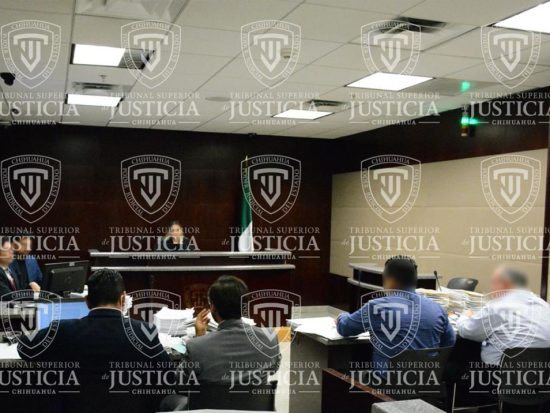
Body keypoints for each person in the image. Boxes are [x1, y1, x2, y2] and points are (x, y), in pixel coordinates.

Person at [17, 269, 171, 413]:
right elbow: (168, 375)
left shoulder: (62, 330)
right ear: (123, 299)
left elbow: (25, 348)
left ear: (87, 301)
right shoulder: (143, 332)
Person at [336, 256, 456, 369]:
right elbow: (450, 341)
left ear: (391, 281)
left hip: (385, 382)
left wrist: (342, 316)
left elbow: (345, 328)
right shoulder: (438, 308)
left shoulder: (378, 307)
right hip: (428, 380)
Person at [187, 275, 281, 382]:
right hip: (254, 393)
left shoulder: (195, 346)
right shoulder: (270, 338)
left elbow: (184, 382)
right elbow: (273, 369)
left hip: (214, 394)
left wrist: (199, 337)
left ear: (213, 307)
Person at [456, 264, 550, 366]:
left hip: (499, 370)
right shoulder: (544, 305)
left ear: (505, 284)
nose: (491, 288)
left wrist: (465, 316)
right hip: (541, 370)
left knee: (462, 354)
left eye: (494, 283)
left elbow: (469, 331)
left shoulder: (498, 306)